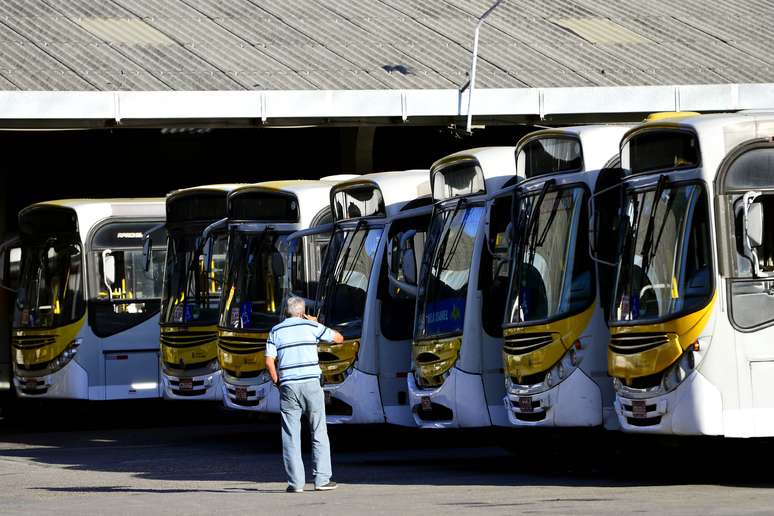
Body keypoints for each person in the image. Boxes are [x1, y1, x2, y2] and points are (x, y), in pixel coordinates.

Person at [265, 296, 344, 493]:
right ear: (301, 312)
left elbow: (268, 362)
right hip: (311, 385)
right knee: (318, 431)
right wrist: (316, 323)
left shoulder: (276, 330)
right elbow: (338, 338)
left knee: (290, 435)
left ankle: (296, 483)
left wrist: (278, 382)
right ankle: (322, 480)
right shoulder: (311, 327)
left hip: (288, 386)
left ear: (286, 311)